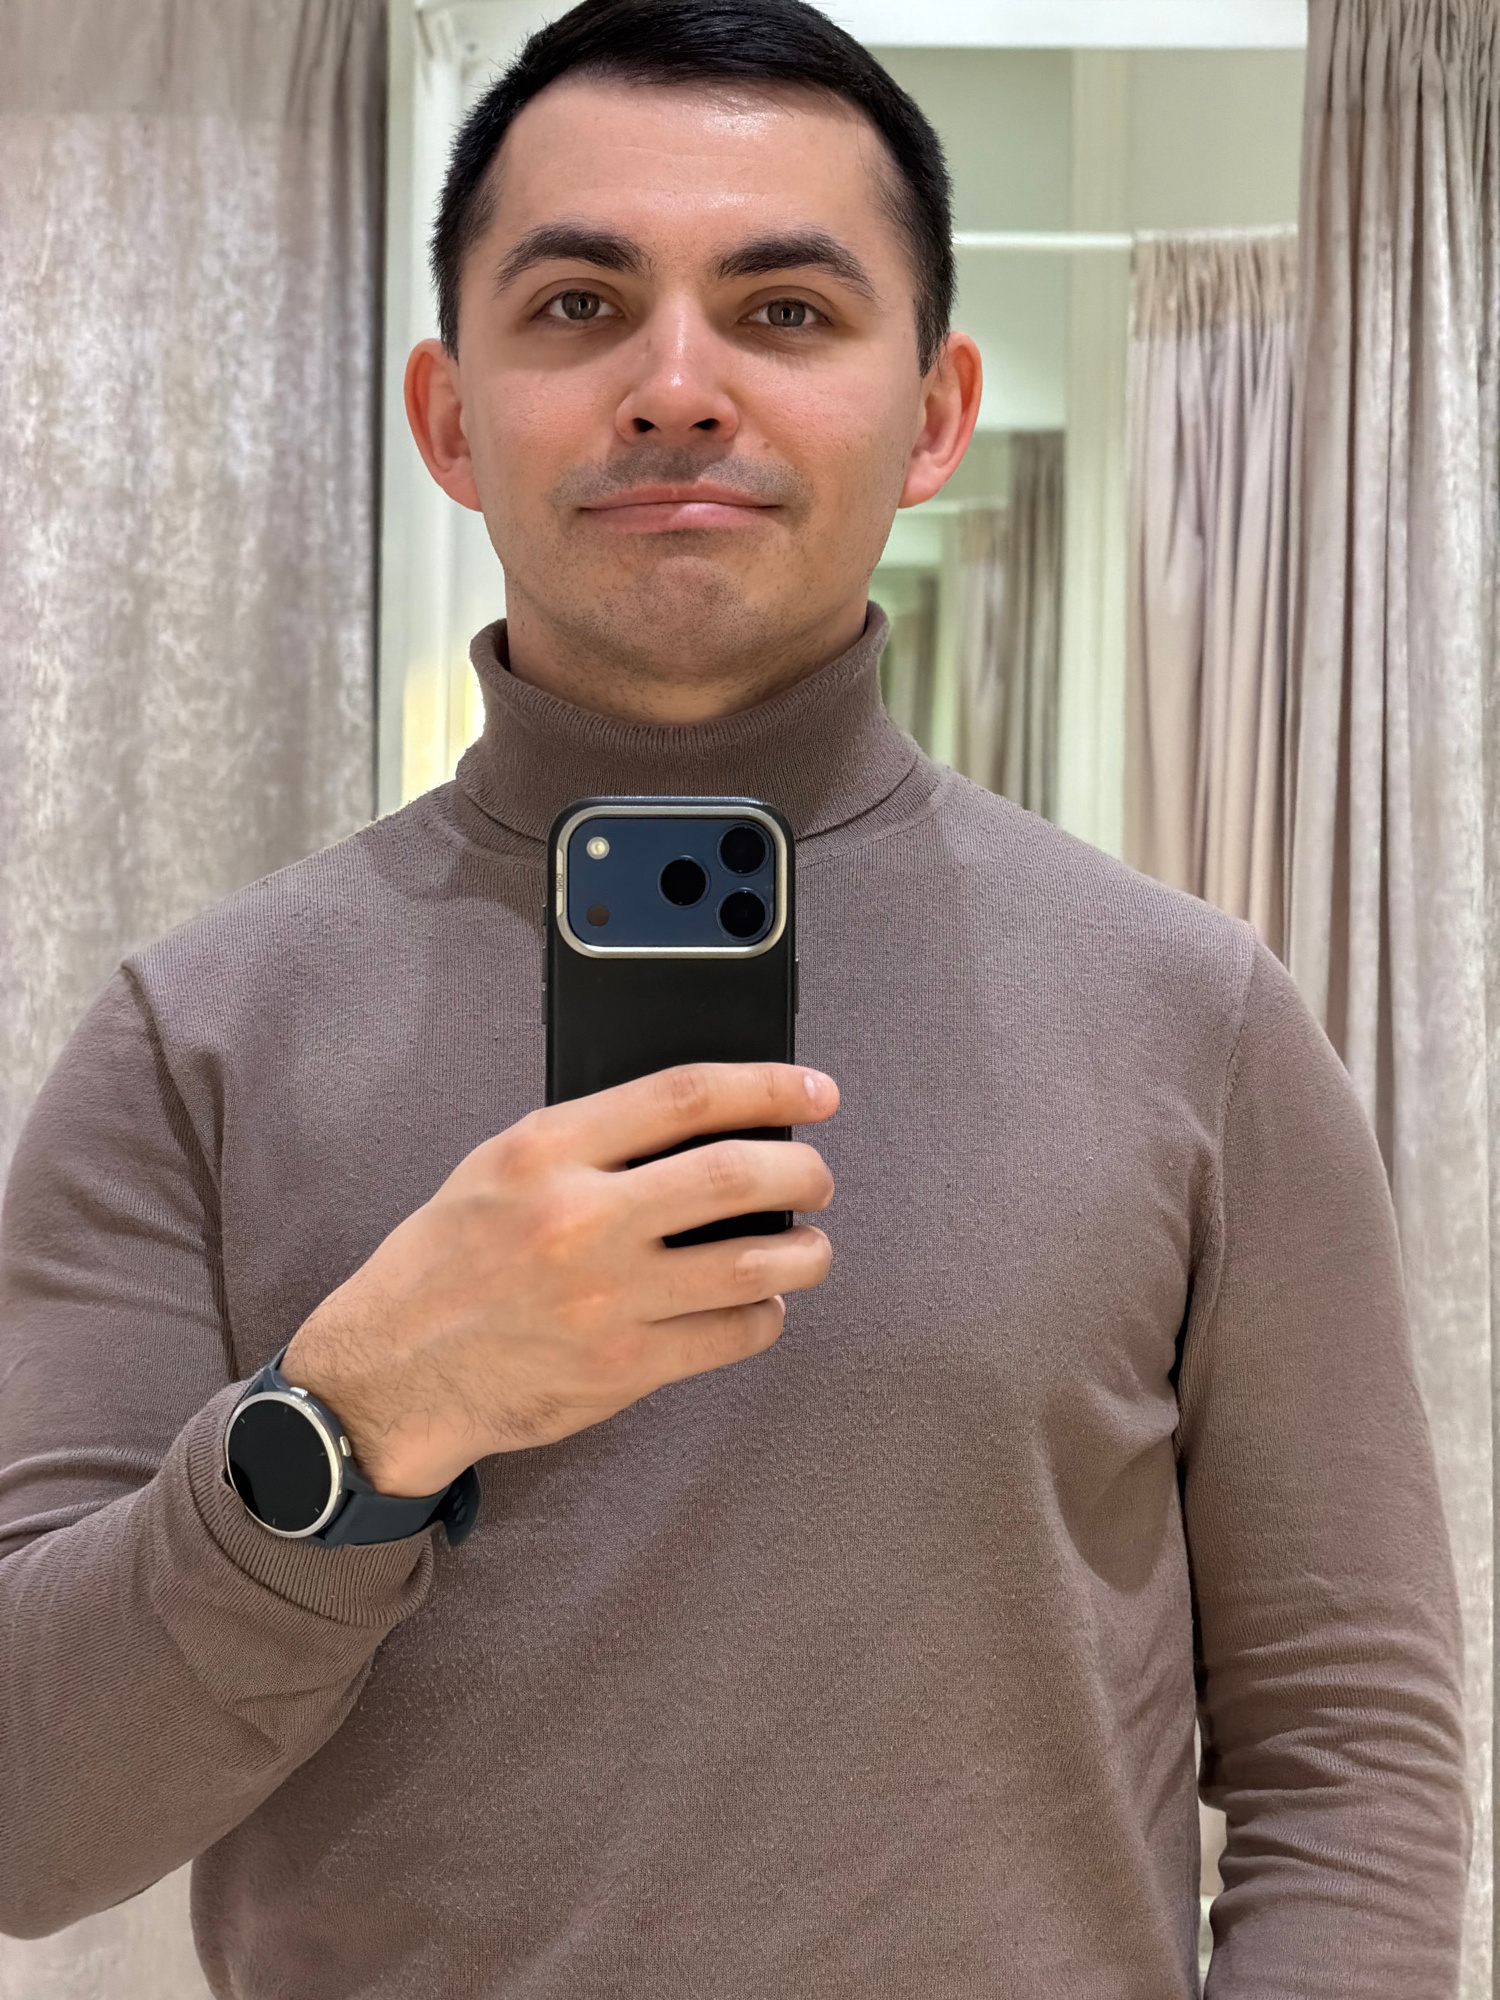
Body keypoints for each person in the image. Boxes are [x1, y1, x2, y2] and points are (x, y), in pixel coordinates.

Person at [0, 0, 1472, 1992]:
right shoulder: (195, 1039)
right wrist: (362, 1415)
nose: (677, 388)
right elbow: (31, 1816)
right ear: (449, 416)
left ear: (935, 413)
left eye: (784, 312)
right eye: (581, 306)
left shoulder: (1193, 1019)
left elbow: (1352, 1760)